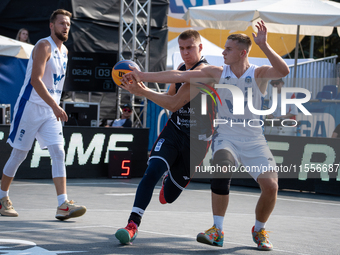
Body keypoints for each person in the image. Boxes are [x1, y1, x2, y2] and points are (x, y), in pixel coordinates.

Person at [123, 21, 290, 250]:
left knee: (271, 186)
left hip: (253, 140)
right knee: (222, 167)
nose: (223, 52)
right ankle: (217, 230)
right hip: (225, 138)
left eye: (228, 49)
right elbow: (176, 75)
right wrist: (143, 75)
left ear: (242, 53)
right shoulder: (215, 73)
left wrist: (264, 45)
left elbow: (283, 71)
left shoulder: (257, 74)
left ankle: (259, 229)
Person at [114, 29, 215, 245]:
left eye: (190, 48)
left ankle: (171, 178)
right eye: (182, 48)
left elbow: (174, 103)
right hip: (175, 131)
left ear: (200, 48)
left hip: (197, 142)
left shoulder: (204, 73)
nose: (185, 53)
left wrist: (143, 91)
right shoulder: (180, 68)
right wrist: (142, 90)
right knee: (151, 171)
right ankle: (132, 224)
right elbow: (169, 98)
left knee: (167, 197)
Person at [0, 9, 86, 220]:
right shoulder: (43, 45)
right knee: (19, 154)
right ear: (51, 25)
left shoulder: (64, 52)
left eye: (68, 24)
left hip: (50, 111)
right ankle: (2, 197)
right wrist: (56, 106)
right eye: (61, 23)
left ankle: (62, 204)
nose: (65, 27)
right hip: (30, 106)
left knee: (58, 152)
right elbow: (35, 81)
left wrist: (55, 106)